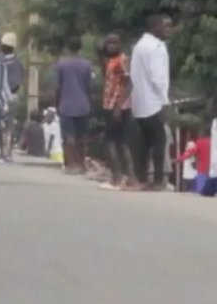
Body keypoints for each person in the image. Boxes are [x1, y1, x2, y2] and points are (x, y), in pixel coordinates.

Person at [130, 15, 172, 188]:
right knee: (159, 141)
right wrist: (164, 102)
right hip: (153, 102)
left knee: (145, 142)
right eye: (166, 25)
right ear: (155, 27)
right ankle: (157, 180)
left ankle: (141, 177)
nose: (169, 29)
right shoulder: (156, 47)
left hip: (139, 102)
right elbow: (157, 78)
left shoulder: (140, 45)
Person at [53, 36, 94, 174]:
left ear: (68, 47)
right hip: (83, 105)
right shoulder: (87, 65)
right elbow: (89, 86)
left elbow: (58, 87)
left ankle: (71, 165)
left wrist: (57, 103)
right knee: (82, 137)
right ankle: (82, 164)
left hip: (66, 105)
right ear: (80, 47)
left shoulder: (62, 64)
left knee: (68, 137)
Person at [98, 33, 134, 190]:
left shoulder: (121, 60)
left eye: (114, 43)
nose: (111, 46)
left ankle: (117, 178)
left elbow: (128, 84)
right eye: (108, 43)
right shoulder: (110, 61)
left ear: (120, 45)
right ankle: (129, 178)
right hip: (109, 105)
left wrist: (118, 108)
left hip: (117, 106)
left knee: (111, 142)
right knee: (120, 142)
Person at [0, 33, 25, 162]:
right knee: (10, 125)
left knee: (1, 125)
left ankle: (3, 151)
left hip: (2, 95)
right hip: (13, 95)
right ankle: (8, 153)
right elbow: (19, 80)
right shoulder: (17, 61)